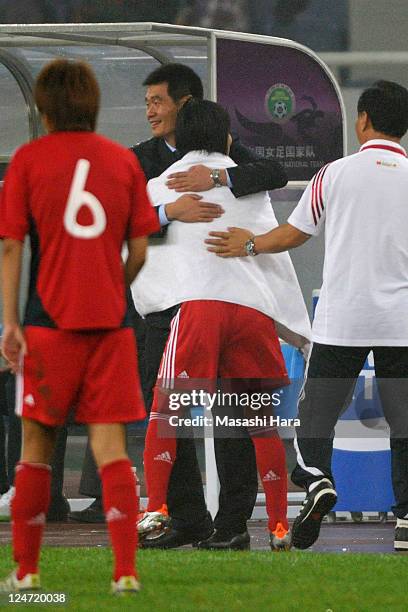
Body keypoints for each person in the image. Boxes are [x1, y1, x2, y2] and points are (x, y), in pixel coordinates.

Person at [71, 63, 289, 550]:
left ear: (185, 105)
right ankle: (187, 517)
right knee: (173, 410)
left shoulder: (226, 153)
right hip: (164, 307)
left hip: (214, 299)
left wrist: (213, 176)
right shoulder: (141, 160)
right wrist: (172, 212)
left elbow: (274, 173)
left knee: (225, 412)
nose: (149, 110)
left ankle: (232, 520)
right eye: (147, 101)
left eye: (158, 101)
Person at [205, 80, 408, 551]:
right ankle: (405, 522)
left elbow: (294, 234)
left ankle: (318, 481)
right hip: (402, 322)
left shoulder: (334, 174)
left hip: (342, 321)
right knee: (405, 426)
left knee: (314, 422)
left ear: (363, 121)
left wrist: (249, 244)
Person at [0, 58, 159, 593]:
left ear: (43, 110)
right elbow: (139, 249)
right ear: (92, 105)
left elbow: (11, 245)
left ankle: (25, 573)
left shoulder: (27, 160)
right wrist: (114, 285)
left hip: (47, 325)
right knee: (111, 451)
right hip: (109, 327)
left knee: (35, 449)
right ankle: (126, 572)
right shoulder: (122, 162)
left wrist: (10, 323)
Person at [133, 99, 311, 550]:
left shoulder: (162, 185)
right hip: (250, 312)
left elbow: (128, 239)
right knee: (256, 420)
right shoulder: (249, 183)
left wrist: (170, 214)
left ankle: (155, 511)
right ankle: (276, 526)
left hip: (198, 309)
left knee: (166, 409)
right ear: (226, 135)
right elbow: (271, 243)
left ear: (181, 137)